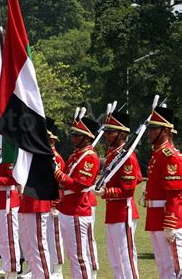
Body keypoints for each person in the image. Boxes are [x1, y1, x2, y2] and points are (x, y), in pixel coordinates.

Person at [90, 110, 141, 278]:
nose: (107, 136)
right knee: (114, 258)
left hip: (123, 212)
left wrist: (106, 192)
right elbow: (138, 177)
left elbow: (129, 189)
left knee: (126, 258)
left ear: (122, 133)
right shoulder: (114, 154)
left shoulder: (127, 157)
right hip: (113, 212)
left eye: (111, 132)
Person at [54, 113, 100, 279]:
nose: (73, 138)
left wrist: (57, 173)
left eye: (77, 136)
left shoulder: (89, 158)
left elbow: (79, 184)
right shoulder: (76, 155)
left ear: (87, 138)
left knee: (79, 257)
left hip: (77, 210)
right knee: (73, 256)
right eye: (73, 135)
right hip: (68, 208)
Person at [144, 106, 182, 278]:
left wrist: (171, 223)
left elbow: (175, 193)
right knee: (163, 265)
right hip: (155, 215)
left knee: (175, 267)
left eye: (154, 129)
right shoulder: (157, 154)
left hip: (167, 217)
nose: (150, 132)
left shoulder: (169, 155)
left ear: (165, 130)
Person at [46, 118, 65, 279]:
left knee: (55, 237)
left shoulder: (55, 158)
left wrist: (55, 204)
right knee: (46, 238)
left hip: (53, 204)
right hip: (43, 202)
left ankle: (57, 269)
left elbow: (59, 184)